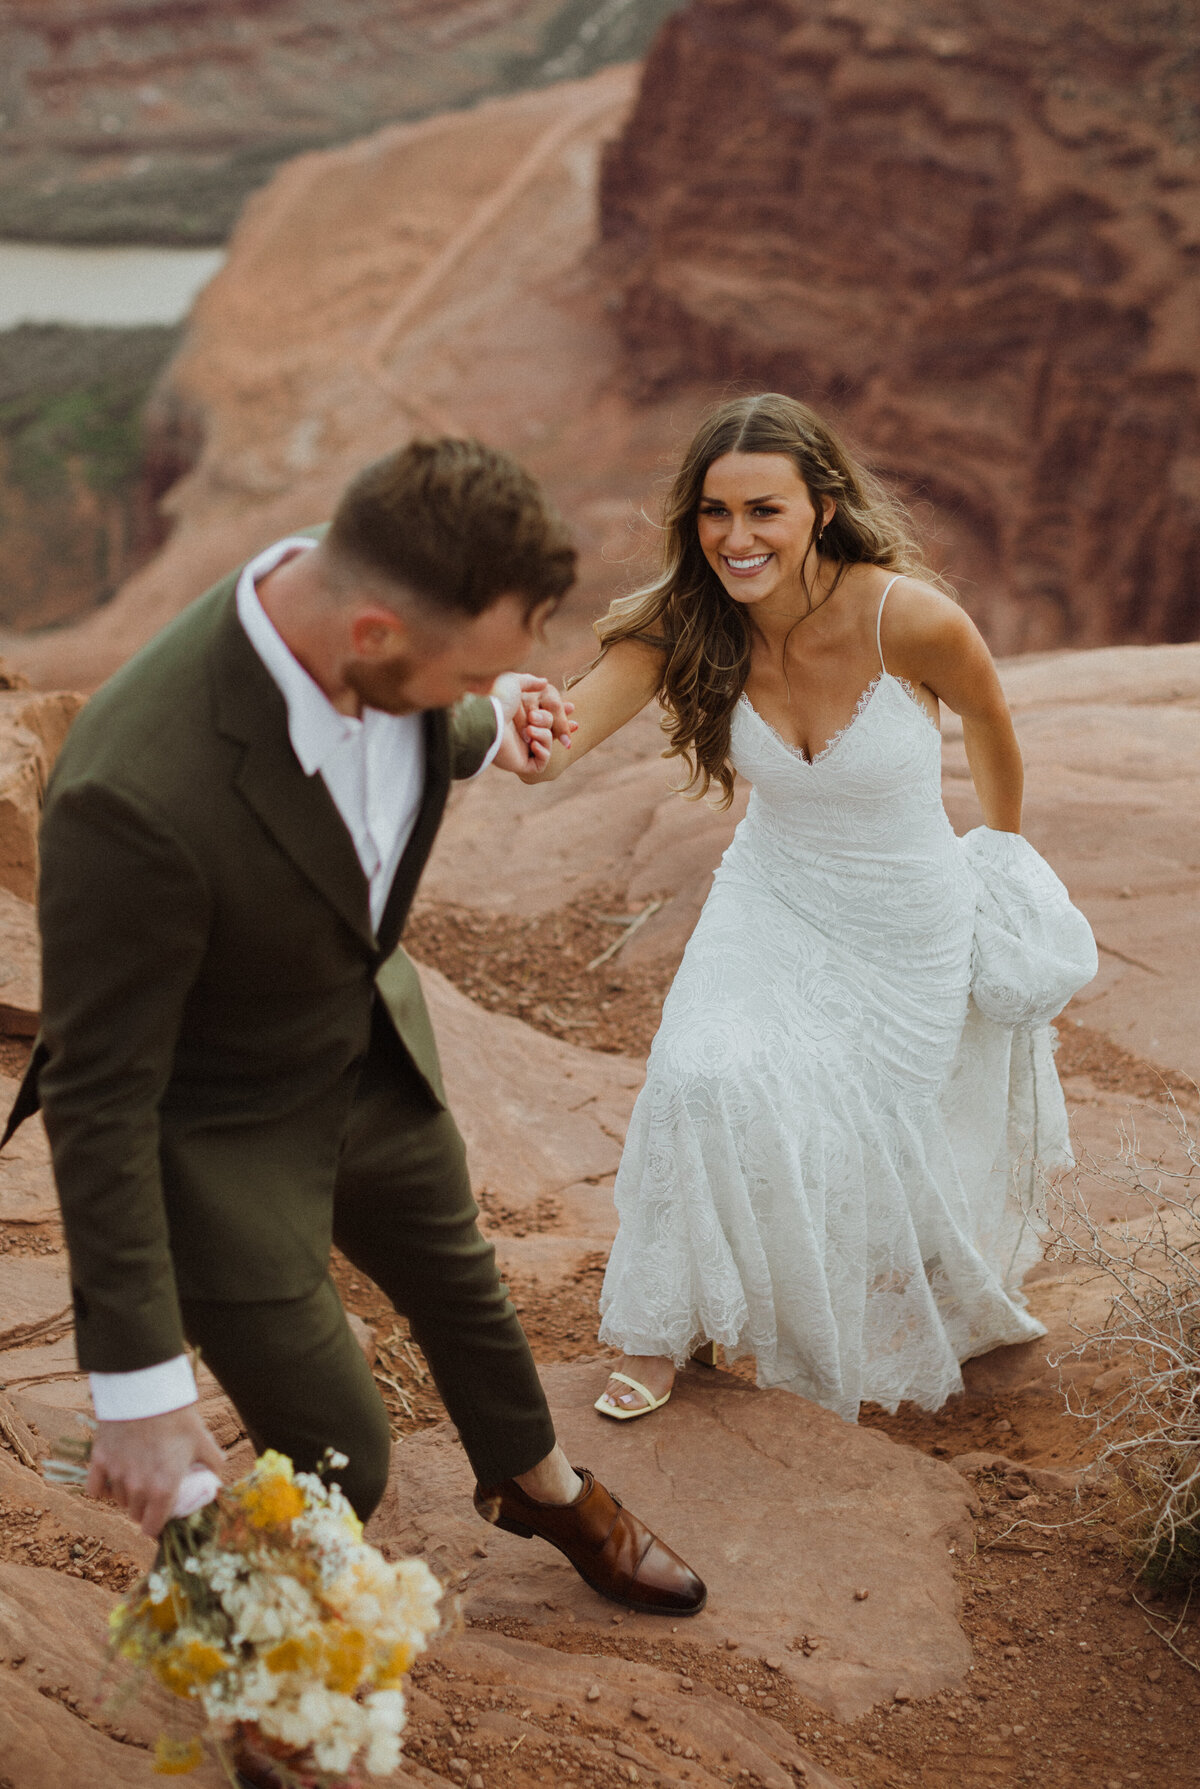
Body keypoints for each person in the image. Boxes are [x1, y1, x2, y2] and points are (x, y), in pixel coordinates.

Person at [3, 438, 705, 1632]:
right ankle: (259, 1676)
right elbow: (104, 1092)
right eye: (465, 676)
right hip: (219, 1133)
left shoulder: (371, 647)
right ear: (373, 637)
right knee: (342, 1452)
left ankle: (538, 1486)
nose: (469, 695)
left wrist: (493, 720)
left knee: (465, 1286)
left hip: (368, 1053)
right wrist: (133, 1385)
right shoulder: (133, 790)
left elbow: (411, 727)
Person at [519, 393, 1096, 1424]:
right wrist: (510, 722)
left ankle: (850, 1301)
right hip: (771, 892)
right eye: (714, 512)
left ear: (821, 508)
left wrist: (1001, 859)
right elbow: (559, 744)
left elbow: (992, 720)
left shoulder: (904, 615)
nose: (735, 538)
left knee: (851, 1129)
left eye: (763, 511)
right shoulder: (684, 622)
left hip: (904, 921)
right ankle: (663, 1331)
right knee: (701, 1076)